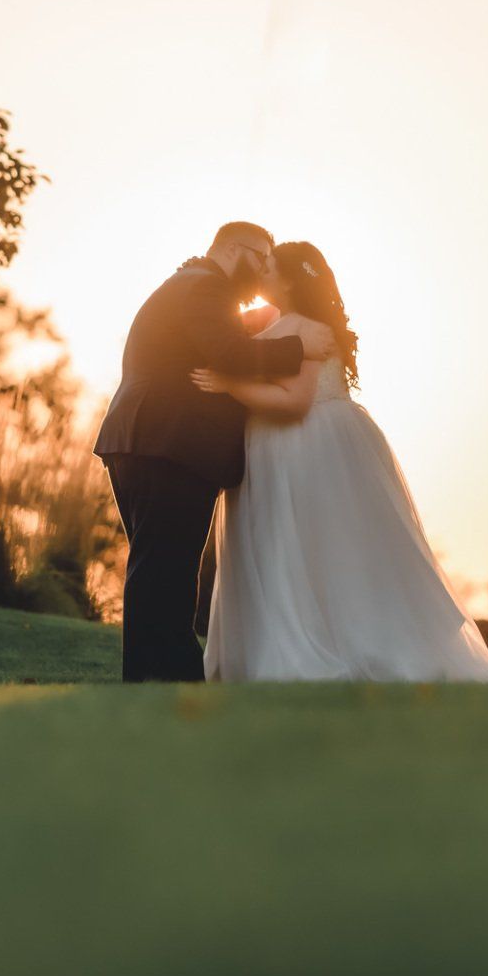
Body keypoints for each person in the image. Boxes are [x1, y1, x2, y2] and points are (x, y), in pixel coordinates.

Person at [192, 241, 488, 683]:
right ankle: (278, 645)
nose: (263, 273)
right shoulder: (279, 321)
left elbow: (295, 402)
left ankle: (337, 645)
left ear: (290, 279)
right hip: (284, 447)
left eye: (270, 266)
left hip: (306, 447)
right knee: (290, 550)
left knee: (321, 551)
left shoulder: (308, 329)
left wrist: (227, 384)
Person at [94, 222, 335, 682]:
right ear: (234, 249)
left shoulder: (192, 286)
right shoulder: (206, 287)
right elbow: (228, 353)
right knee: (167, 568)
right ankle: (164, 680)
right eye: (261, 258)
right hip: (168, 443)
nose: (265, 269)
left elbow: (224, 340)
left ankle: (161, 678)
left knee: (160, 567)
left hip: (148, 440)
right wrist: (299, 346)